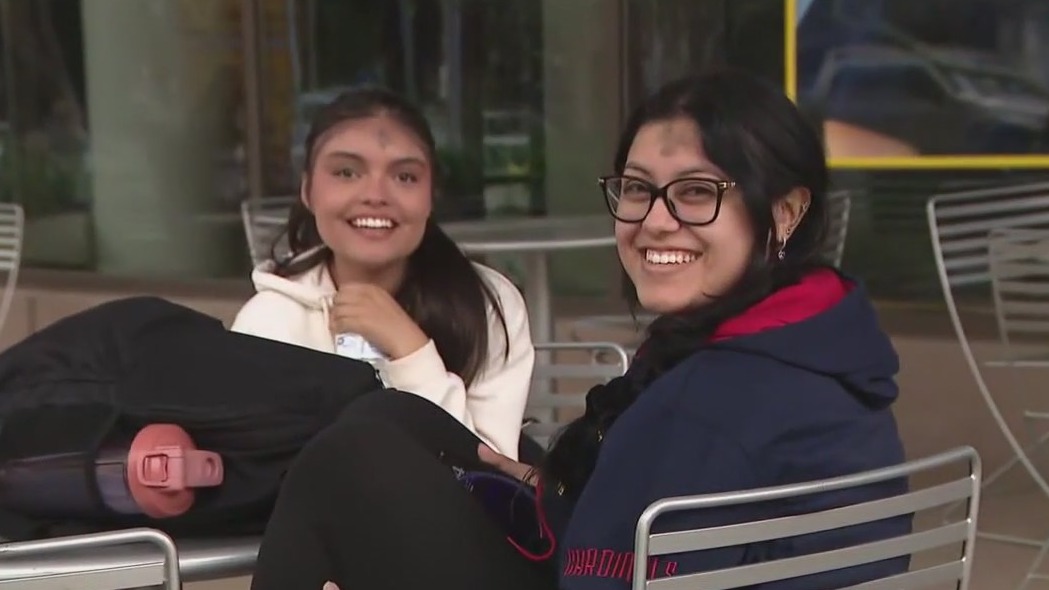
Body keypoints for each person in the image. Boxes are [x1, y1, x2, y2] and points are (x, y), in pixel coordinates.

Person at [248, 69, 910, 590]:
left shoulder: (705, 405)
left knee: (351, 459)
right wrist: (554, 489)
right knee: (392, 420)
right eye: (637, 187)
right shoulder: (805, 339)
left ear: (785, 212)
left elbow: (605, 569)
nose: (654, 221)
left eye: (697, 193)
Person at [230, 87, 534, 460]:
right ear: (308, 190)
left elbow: (492, 477)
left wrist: (412, 353)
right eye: (346, 172)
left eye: (405, 177)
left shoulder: (490, 304)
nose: (375, 194)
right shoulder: (269, 320)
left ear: (431, 195)